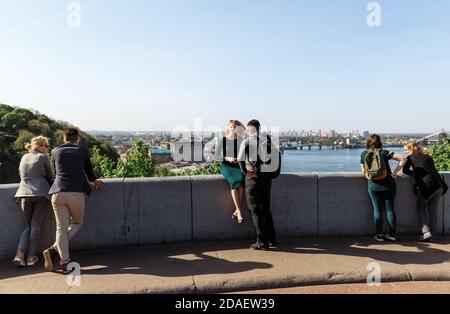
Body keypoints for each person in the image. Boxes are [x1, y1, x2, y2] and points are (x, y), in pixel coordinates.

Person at [43, 128, 104, 273]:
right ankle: (53, 249)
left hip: (57, 193)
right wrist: (95, 181)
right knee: (77, 222)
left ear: (64, 139)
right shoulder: (83, 151)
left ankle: (64, 262)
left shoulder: (55, 151)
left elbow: (56, 173)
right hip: (75, 193)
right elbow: (89, 172)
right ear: (77, 139)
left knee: (60, 228)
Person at [13, 136, 53, 267]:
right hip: (41, 193)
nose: (47, 148)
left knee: (28, 226)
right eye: (46, 146)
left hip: (24, 193)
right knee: (35, 226)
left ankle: (19, 255)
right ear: (40, 146)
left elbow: (21, 175)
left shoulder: (24, 157)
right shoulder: (43, 157)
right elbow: (50, 175)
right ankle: (31, 257)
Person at [238, 119, 277, 250]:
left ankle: (262, 242)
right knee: (266, 209)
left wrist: (246, 173)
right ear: (259, 128)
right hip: (266, 179)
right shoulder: (268, 140)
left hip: (253, 180)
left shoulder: (247, 141)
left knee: (255, 211)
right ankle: (272, 239)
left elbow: (240, 159)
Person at [360, 134, 404, 242]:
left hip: (373, 185)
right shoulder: (384, 152)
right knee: (390, 209)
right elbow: (402, 159)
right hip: (389, 184)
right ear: (380, 142)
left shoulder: (364, 154)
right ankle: (392, 235)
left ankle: (379, 235)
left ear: (368, 143)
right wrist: (394, 173)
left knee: (377, 209)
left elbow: (364, 172)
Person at [402, 140, 448, 242]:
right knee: (433, 211)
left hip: (426, 187)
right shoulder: (428, 156)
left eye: (405, 150)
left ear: (411, 148)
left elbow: (405, 170)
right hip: (438, 186)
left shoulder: (410, 157)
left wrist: (415, 174)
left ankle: (426, 232)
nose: (405, 152)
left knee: (421, 208)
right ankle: (432, 235)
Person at [219, 120, 246, 223]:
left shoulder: (241, 140)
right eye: (231, 127)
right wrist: (228, 158)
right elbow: (218, 156)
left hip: (237, 165)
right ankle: (239, 211)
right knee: (234, 181)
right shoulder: (223, 140)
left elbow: (245, 155)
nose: (233, 129)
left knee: (242, 181)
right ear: (228, 127)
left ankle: (236, 211)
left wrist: (239, 159)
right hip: (226, 166)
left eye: (235, 127)